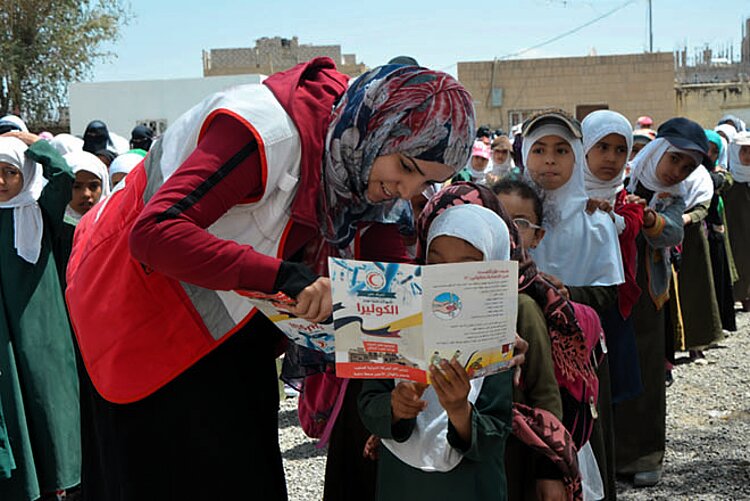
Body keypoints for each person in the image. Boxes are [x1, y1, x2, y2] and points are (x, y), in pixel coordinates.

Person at [65, 59, 475, 500]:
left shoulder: (360, 160)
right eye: (408, 167)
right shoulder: (266, 130)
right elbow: (154, 234)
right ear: (380, 129)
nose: (408, 190)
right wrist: (286, 277)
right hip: (135, 310)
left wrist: (475, 337)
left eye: (426, 182)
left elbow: (392, 282)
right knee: (161, 475)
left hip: (233, 327)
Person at [358, 203, 514, 501]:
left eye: (466, 266)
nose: (447, 277)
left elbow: (497, 430)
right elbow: (368, 402)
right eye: (436, 262)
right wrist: (395, 406)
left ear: (493, 266)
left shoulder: (496, 337)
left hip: (470, 485)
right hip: (401, 482)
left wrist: (458, 410)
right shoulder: (395, 323)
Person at [614, 117, 709, 488]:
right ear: (656, 152)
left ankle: (645, 454)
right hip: (607, 288)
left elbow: (671, 231)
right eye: (675, 160)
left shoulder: (671, 197)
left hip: (648, 297)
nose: (677, 172)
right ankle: (609, 452)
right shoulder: (615, 180)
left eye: (688, 168)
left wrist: (648, 217)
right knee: (611, 368)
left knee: (647, 372)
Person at [0, 132, 81, 501]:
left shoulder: (40, 208)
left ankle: (61, 484)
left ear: (26, 174)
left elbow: (64, 175)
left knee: (48, 406)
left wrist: (34, 142)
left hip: (42, 331)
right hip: (6, 335)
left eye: (10, 172)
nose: (1, 182)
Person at [724, 131, 750, 311]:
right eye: (743, 151)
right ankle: (741, 295)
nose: (747, 156)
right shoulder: (729, 180)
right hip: (736, 230)